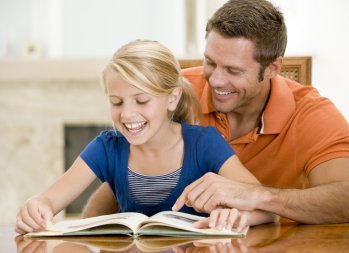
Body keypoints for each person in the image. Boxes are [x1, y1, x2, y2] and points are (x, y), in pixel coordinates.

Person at [84, 0, 349, 224]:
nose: (216, 80)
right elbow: (121, 175)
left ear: (273, 67)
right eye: (210, 62)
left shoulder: (311, 115)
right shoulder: (178, 93)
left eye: (233, 70)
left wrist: (255, 194)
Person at [15, 39, 277, 234]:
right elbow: (50, 199)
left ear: (172, 98)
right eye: (116, 102)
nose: (128, 114)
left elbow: (266, 207)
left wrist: (236, 217)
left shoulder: (204, 144)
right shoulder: (106, 148)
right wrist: (37, 205)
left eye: (141, 101)